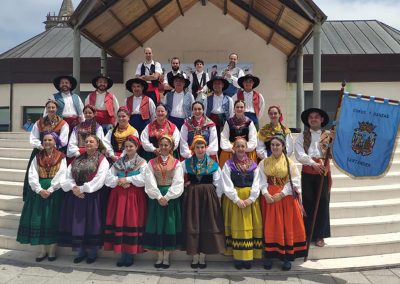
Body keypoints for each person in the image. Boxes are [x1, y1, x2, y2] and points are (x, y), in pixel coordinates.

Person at [258, 135, 307, 271]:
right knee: (270, 226)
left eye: (277, 145)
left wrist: (282, 193)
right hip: (269, 199)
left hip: (285, 199)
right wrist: (265, 193)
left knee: (285, 226)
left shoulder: (289, 163)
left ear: (283, 147)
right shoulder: (264, 162)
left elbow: (295, 181)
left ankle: (286, 257)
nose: (274, 147)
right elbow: (260, 179)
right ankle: (269, 256)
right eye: (272, 145)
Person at [58, 135, 109, 264]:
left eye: (91, 141)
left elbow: (100, 178)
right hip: (76, 194)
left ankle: (92, 252)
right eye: (86, 141)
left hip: (92, 195)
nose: (88, 143)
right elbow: (67, 175)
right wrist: (73, 187)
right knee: (78, 223)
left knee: (92, 223)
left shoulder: (102, 159)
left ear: (97, 144)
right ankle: (80, 251)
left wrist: (84, 189)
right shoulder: (77, 159)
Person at [16, 132, 67, 262]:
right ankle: (43, 251)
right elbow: (32, 174)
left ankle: (52, 251)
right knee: (40, 219)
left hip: (55, 192)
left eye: (50, 140)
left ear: (55, 142)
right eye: (45, 140)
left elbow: (62, 174)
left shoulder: (61, 156)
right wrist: (39, 189)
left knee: (51, 219)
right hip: (38, 192)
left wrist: (50, 189)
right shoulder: (37, 156)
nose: (47, 142)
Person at [104, 135, 147, 267]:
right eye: (126, 146)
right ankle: (122, 253)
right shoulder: (118, 163)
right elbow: (108, 178)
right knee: (120, 222)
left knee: (131, 221)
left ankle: (130, 254)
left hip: (134, 196)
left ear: (136, 147)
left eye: (131, 146)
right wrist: (119, 181)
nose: (128, 148)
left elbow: (144, 179)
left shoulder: (142, 162)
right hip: (119, 195)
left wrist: (127, 180)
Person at [182, 135, 225, 269]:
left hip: (208, 198)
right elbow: (178, 178)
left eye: (202, 147)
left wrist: (217, 199)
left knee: (207, 223)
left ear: (206, 148)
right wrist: (185, 185)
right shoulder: (186, 163)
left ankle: (203, 257)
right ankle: (194, 256)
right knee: (193, 223)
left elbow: (218, 182)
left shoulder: (213, 165)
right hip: (192, 197)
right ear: (193, 149)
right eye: (197, 147)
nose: (200, 150)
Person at [143, 135, 184, 269]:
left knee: (169, 224)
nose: (164, 147)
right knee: (157, 224)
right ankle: (159, 255)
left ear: (171, 147)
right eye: (161, 145)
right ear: (158, 147)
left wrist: (167, 197)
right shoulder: (151, 162)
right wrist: (158, 196)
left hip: (170, 199)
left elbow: (178, 182)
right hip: (157, 198)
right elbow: (149, 180)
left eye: (166, 145)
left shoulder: (177, 163)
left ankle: (166, 256)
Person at [221, 137, 262, 269]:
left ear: (246, 148)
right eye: (237, 146)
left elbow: (257, 183)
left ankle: (248, 257)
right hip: (234, 201)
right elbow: (226, 183)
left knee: (248, 228)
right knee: (236, 228)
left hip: (250, 202)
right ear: (233, 149)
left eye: (242, 146)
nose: (240, 149)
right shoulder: (228, 165)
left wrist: (251, 198)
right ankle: (238, 258)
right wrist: (236, 199)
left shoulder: (254, 165)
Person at [294, 108, 332, 248]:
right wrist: (312, 163)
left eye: (316, 117)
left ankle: (320, 235)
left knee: (322, 202)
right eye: (311, 117)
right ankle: (308, 233)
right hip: (308, 172)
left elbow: (334, 152)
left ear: (322, 120)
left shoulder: (328, 135)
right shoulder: (302, 136)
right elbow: (299, 154)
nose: (314, 119)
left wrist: (334, 140)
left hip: (323, 171)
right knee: (308, 203)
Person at [23, 100, 69, 201]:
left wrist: (52, 147)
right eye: (49, 107)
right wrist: (41, 146)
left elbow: (64, 140)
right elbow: (33, 137)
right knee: (34, 172)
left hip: (57, 150)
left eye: (53, 107)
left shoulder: (63, 123)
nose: (51, 109)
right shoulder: (39, 122)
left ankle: (54, 194)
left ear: (56, 109)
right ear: (46, 109)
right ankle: (35, 195)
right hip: (40, 150)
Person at [219, 100, 257, 167]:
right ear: (234, 109)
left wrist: (243, 148)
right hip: (232, 149)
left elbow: (253, 139)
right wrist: (233, 148)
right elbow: (224, 137)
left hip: (246, 148)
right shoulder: (228, 122)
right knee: (225, 153)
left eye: (241, 107)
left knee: (251, 152)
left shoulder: (249, 122)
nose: (239, 109)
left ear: (244, 109)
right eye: (237, 107)